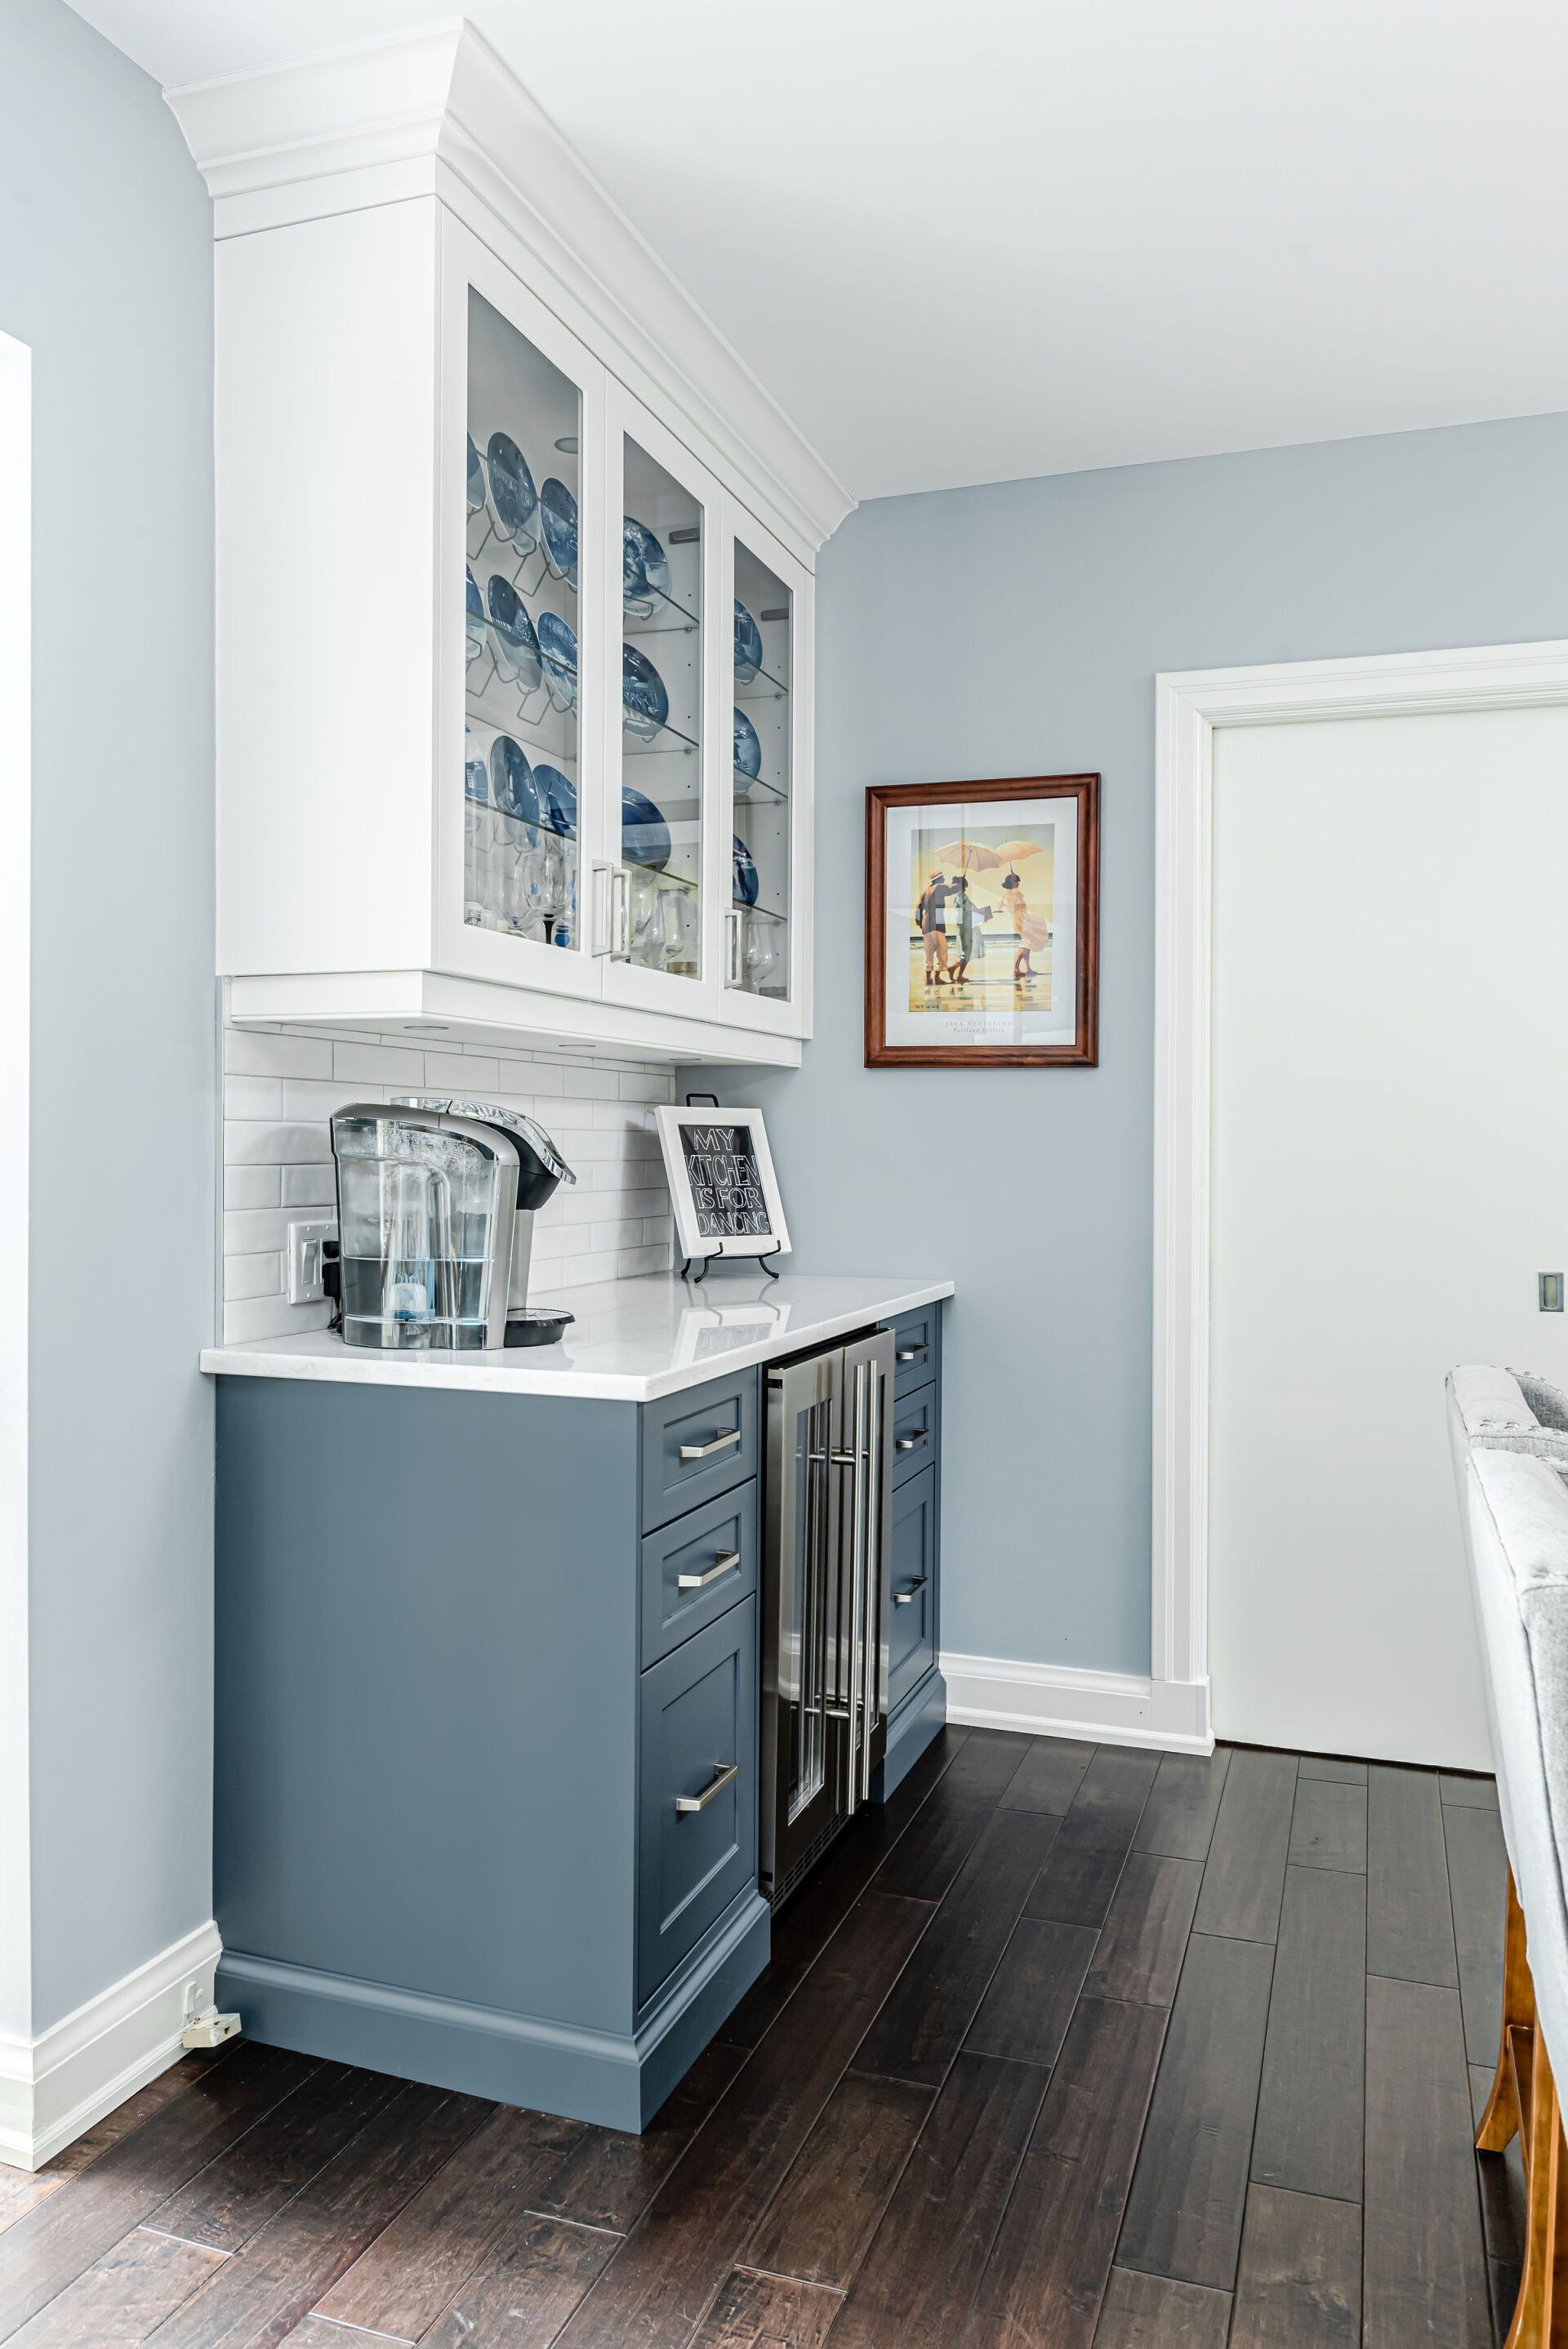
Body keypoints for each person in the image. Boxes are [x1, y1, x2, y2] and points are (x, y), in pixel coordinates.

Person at [949, 875, 990, 986]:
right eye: (963, 885)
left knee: (965, 952)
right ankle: (955, 972)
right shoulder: (960, 896)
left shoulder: (961, 896)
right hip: (966, 926)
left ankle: (957, 973)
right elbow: (963, 910)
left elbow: (968, 910)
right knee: (966, 952)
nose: (965, 887)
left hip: (966, 925)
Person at [915, 868, 952, 986]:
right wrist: (961, 882)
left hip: (927, 924)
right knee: (942, 951)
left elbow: (918, 909)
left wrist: (920, 924)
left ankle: (928, 979)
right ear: (939, 880)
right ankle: (937, 978)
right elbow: (952, 889)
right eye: (943, 878)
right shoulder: (938, 887)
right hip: (937, 924)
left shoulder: (925, 892)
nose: (945, 879)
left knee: (929, 953)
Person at [1000, 867, 1033, 981]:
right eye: (1016, 881)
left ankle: (1027, 968)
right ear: (1011, 883)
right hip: (1020, 919)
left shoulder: (1010, 894)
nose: (1018, 883)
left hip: (1021, 918)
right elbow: (1016, 905)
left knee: (1027, 945)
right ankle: (1015, 969)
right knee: (1025, 944)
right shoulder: (1012, 894)